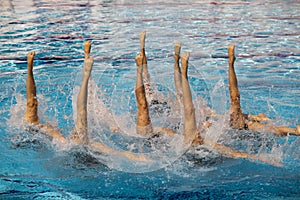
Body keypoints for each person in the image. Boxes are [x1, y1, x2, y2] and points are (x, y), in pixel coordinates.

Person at [24, 41, 147, 161]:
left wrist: (138, 158)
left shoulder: (67, 143)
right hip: (77, 157)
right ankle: (86, 70)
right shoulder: (67, 143)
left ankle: (86, 66)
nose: (76, 130)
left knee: (81, 121)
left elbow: (121, 154)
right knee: (81, 119)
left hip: (82, 158)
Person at [228, 45, 300, 136]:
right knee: (273, 130)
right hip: (240, 126)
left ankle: (230, 64)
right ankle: (294, 131)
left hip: (238, 127)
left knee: (235, 100)